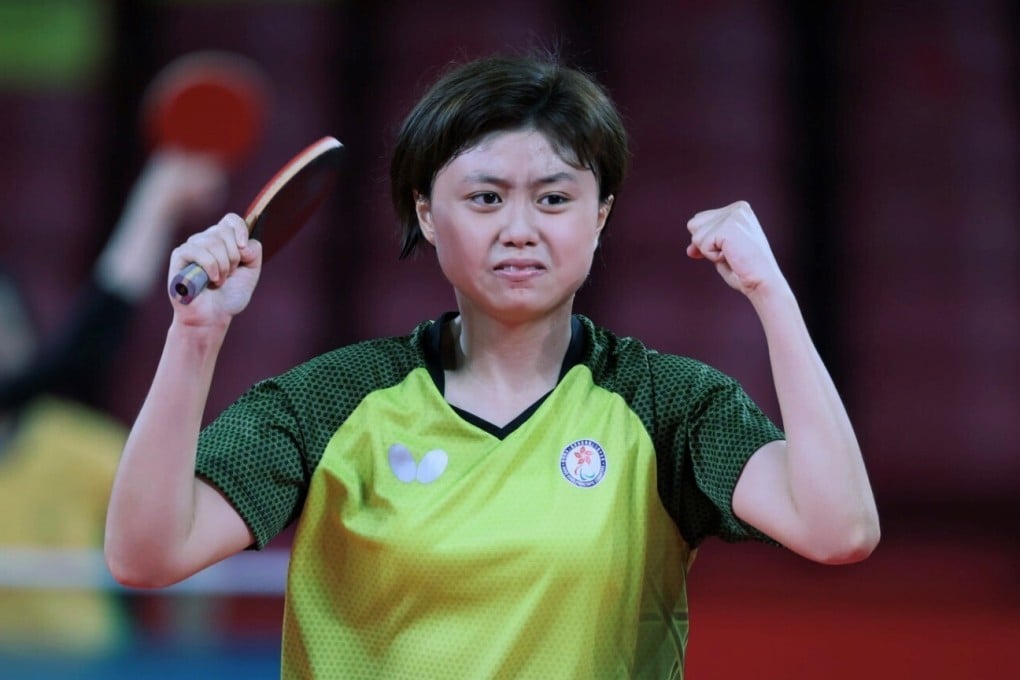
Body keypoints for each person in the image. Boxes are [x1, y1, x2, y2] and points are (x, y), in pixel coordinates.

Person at [104, 53, 880, 678]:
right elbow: (146, 555)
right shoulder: (333, 400)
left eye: (554, 199)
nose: (519, 229)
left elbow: (838, 528)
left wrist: (772, 294)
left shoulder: (667, 404)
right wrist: (195, 335)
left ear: (600, 215)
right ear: (425, 213)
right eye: (484, 198)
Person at [0, 149, 226, 654]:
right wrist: (156, 201)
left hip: (83, 666)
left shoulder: (83, 444)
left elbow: (86, 345)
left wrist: (156, 202)